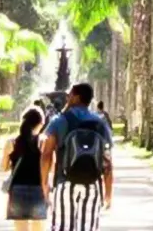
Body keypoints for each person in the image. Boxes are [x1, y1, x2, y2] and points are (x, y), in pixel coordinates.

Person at [41, 82, 113, 231]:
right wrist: (108, 193)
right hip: (92, 185)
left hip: (64, 183)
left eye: (70, 95)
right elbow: (107, 161)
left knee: (62, 227)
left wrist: (44, 184)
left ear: (77, 97)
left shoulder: (60, 121)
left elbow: (46, 154)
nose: (67, 97)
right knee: (88, 227)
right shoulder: (100, 124)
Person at [3, 106, 48, 230]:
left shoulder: (12, 142)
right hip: (38, 189)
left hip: (17, 190)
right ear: (40, 124)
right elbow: (51, 167)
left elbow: (4, 167)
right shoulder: (43, 143)